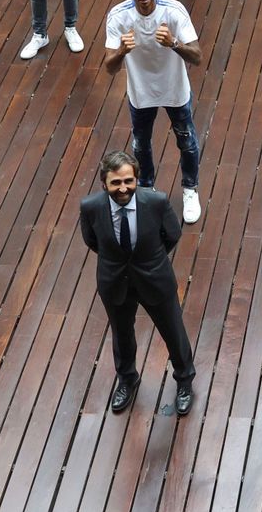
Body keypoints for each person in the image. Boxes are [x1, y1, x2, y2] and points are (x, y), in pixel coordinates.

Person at [78, 150, 196, 416]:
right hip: (114, 281)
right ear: (104, 183)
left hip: (155, 280)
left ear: (136, 179)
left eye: (128, 181)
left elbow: (172, 234)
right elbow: (92, 241)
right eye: (116, 183)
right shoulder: (90, 207)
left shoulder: (156, 202)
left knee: (173, 332)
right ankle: (127, 380)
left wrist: (150, 259)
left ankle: (185, 381)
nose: (123, 188)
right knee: (121, 335)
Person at [102, 0, 205, 224]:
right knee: (141, 144)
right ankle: (146, 190)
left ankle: (190, 189)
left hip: (175, 89)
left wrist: (173, 43)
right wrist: (122, 51)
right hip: (141, 92)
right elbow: (110, 67)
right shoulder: (118, 16)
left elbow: (197, 57)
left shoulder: (174, 11)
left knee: (187, 141)